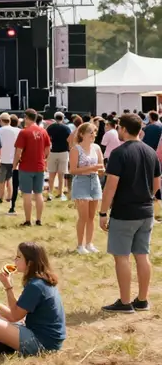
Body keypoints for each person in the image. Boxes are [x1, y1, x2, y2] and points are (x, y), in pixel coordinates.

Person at [100, 113, 161, 312]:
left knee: (122, 256)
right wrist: (147, 197)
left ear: (124, 129)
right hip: (146, 210)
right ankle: (142, 300)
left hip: (124, 212)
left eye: (119, 127)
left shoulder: (119, 153)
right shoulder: (150, 152)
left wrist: (103, 213)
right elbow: (156, 183)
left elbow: (111, 186)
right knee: (142, 255)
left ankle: (125, 302)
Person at [0, 242, 66, 356]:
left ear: (30, 263)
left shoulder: (35, 286)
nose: (15, 259)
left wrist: (6, 289)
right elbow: (17, 313)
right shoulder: (41, 280)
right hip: (47, 339)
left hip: (43, 344)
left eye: (19, 257)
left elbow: (14, 316)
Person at [69, 122, 105, 254]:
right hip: (81, 183)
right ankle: (80, 245)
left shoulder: (97, 148)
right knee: (83, 217)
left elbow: (101, 166)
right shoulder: (75, 149)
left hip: (94, 181)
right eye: (91, 132)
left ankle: (89, 243)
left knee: (91, 216)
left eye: (94, 132)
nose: (93, 134)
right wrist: (92, 168)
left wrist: (101, 170)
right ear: (82, 134)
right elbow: (73, 170)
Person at [13, 109, 51, 227]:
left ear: (26, 117)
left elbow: (18, 152)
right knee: (38, 193)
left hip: (26, 166)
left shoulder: (24, 132)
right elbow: (47, 149)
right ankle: (39, 220)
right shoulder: (43, 131)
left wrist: (14, 165)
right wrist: (43, 159)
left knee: (27, 194)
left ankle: (28, 220)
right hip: (39, 166)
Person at [0, 113, 21, 209]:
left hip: (2, 158)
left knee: (1, 179)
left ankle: (0, 197)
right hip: (14, 158)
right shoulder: (17, 131)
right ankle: (10, 196)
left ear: (1, 121)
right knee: (10, 178)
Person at [46, 112, 71, 201]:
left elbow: (47, 139)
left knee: (51, 174)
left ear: (55, 117)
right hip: (64, 152)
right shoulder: (66, 128)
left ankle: (50, 193)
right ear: (62, 118)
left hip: (53, 152)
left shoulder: (50, 127)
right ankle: (60, 193)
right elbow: (69, 139)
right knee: (61, 174)